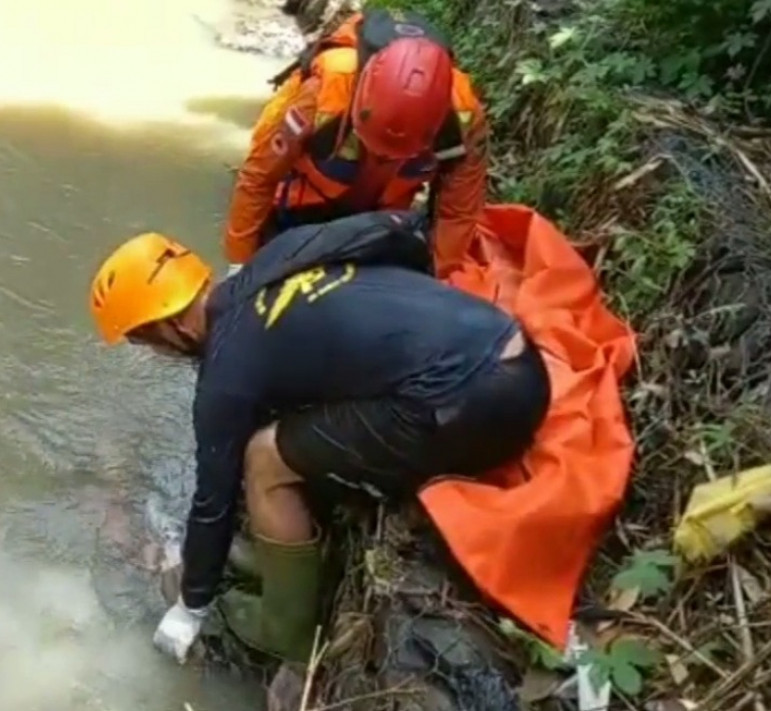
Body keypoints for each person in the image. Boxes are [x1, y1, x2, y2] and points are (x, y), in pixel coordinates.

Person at [86, 210, 551, 665]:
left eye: (146, 342)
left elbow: (213, 500)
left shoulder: (225, 375)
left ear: (171, 327)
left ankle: (285, 633)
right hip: (513, 348)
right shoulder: (281, 254)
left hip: (480, 407)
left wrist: (191, 607)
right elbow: (396, 227)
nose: (156, 354)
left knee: (263, 459)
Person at [223, 8, 490, 279]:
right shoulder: (322, 92)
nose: (384, 157)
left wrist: (439, 278)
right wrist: (239, 264)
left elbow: (458, 211)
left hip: (379, 224)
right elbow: (259, 177)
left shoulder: (463, 118)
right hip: (298, 216)